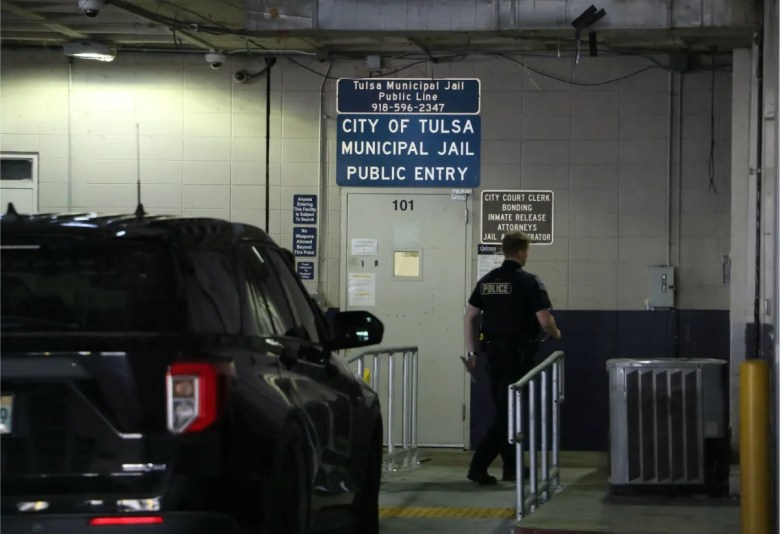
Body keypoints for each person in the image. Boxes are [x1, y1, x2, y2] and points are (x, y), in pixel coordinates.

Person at [463, 231, 562, 485]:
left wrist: (471, 351)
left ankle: (511, 467)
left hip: (493, 357)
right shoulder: (529, 282)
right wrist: (555, 332)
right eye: (527, 251)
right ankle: (478, 466)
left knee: (505, 410)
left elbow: (469, 317)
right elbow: (544, 319)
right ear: (520, 252)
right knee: (509, 414)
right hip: (518, 357)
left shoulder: (487, 281)